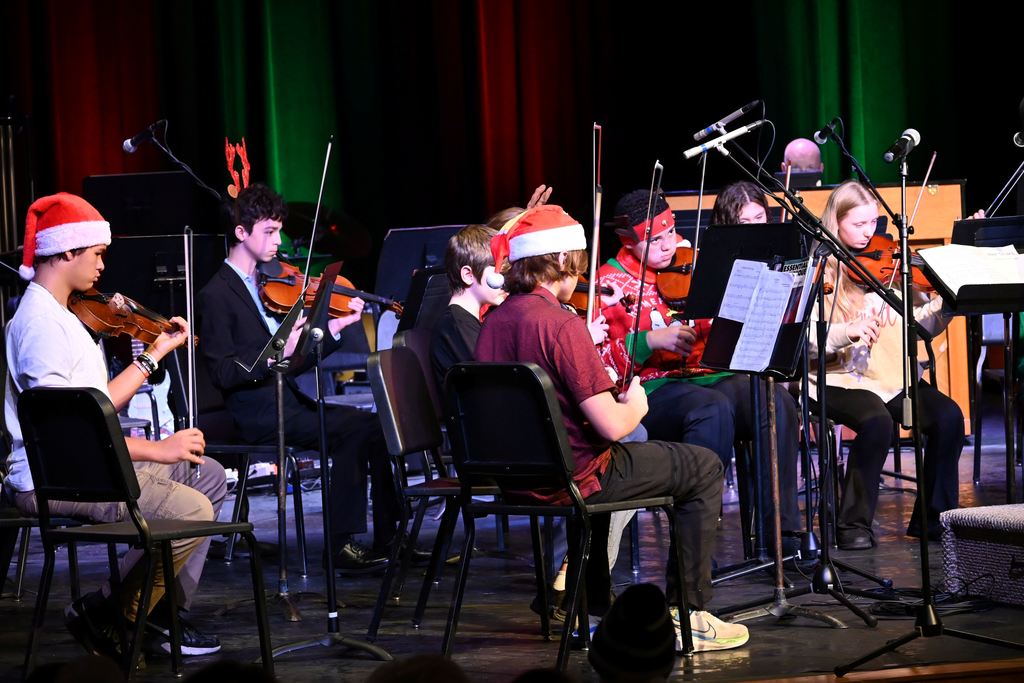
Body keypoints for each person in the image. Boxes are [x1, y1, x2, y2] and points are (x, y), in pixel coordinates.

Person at [475, 204, 748, 652]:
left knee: (612, 465)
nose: (580, 276)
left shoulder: (493, 323)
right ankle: (690, 614)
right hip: (574, 478)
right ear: (561, 259)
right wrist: (636, 404)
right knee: (702, 467)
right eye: (577, 264)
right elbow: (612, 425)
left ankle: (590, 607)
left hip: (516, 478)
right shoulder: (561, 324)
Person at [4, 193, 224, 657]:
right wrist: (158, 449)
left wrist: (156, 351)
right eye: (97, 253)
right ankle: (110, 613)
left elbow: (98, 401)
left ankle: (158, 614)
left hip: (87, 468)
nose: (103, 266)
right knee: (192, 510)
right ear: (67, 251)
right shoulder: (40, 325)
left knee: (208, 475)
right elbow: (68, 433)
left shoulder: (62, 314)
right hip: (56, 478)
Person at [197, 182, 405, 573]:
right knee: (355, 430)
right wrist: (279, 352)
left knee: (376, 427)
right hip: (255, 413)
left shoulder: (261, 285)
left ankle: (390, 536)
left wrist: (336, 327)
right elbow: (222, 371)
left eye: (279, 230)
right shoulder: (217, 294)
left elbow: (293, 364)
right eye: (269, 232)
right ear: (240, 232)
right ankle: (339, 546)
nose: (279, 241)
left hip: (284, 401)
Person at [599, 190, 802, 547]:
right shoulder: (608, 284)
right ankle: (695, 541)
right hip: (650, 389)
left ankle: (779, 533)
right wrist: (650, 340)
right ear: (628, 242)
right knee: (711, 409)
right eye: (655, 240)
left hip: (708, 374)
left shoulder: (695, 263)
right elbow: (600, 363)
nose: (668, 245)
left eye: (671, 233)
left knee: (775, 402)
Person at [808, 180, 963, 549]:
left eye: (874, 223)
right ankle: (852, 525)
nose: (869, 233)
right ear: (836, 222)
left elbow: (920, 326)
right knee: (877, 422)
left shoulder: (891, 267)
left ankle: (933, 520)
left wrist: (948, 303)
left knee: (948, 417)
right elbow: (807, 337)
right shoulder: (821, 270)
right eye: (858, 224)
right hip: (838, 379)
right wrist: (847, 331)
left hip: (893, 376)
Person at [429, 224, 506, 390]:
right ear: (468, 275)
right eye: (499, 272)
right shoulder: (455, 325)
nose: (505, 282)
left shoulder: (464, 321)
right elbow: (492, 382)